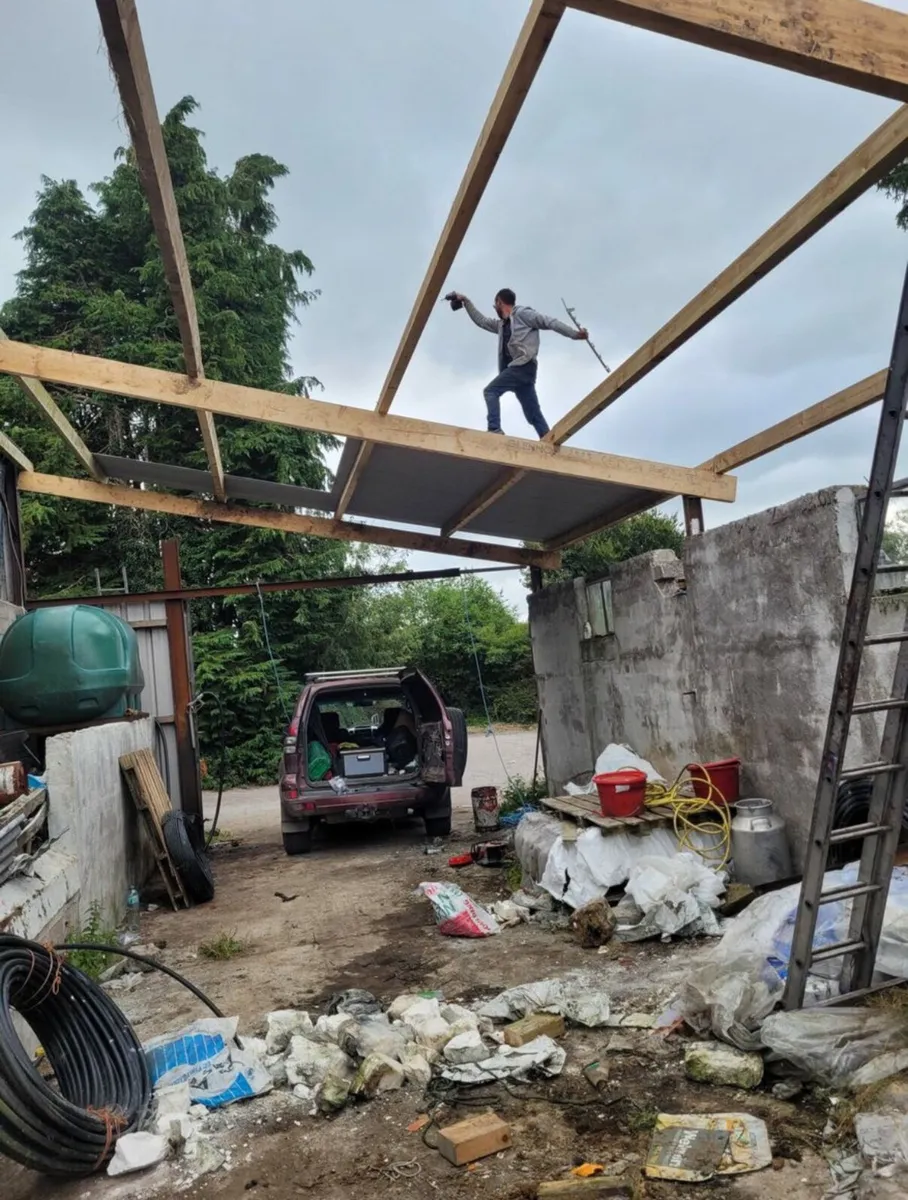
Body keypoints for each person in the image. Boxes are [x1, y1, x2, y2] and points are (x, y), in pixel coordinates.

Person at [449, 287, 588, 437]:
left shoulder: (523, 314)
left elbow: (550, 322)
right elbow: (481, 321)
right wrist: (466, 301)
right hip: (520, 373)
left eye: (495, 305)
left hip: (523, 366)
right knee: (532, 414)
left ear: (499, 302)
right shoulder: (502, 325)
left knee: (491, 391)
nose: (495, 309)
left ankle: (494, 429)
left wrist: (574, 334)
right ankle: (548, 442)